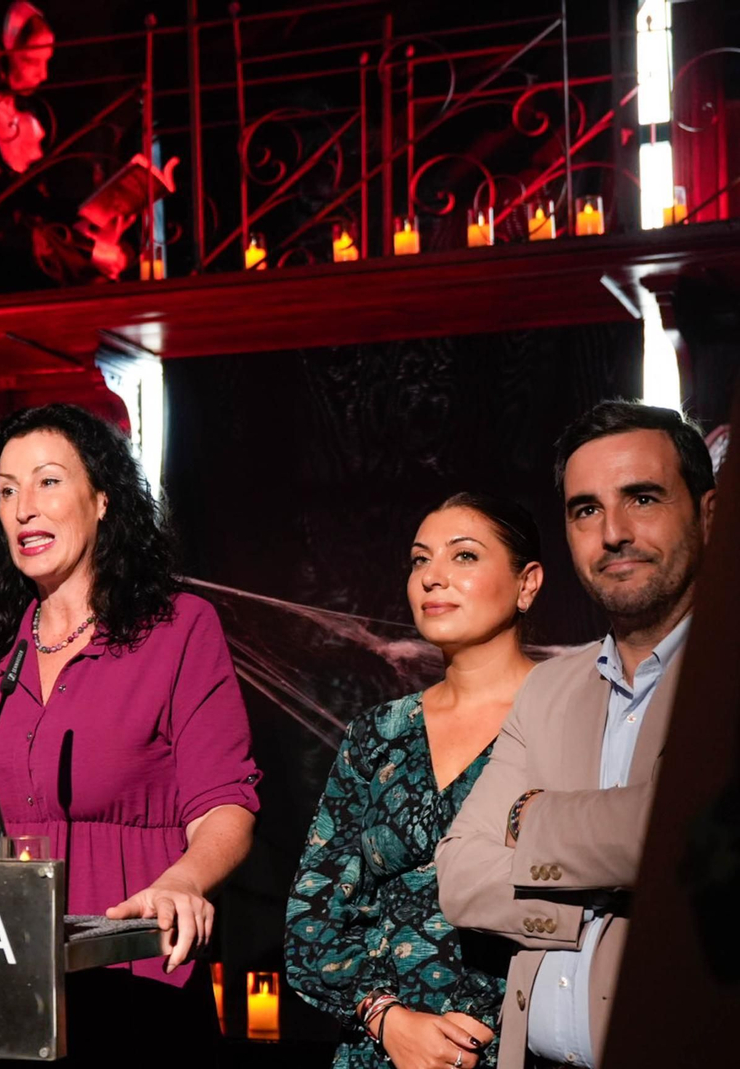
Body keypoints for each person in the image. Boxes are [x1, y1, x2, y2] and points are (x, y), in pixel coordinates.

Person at [0, 402, 260, 1063]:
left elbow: (225, 800)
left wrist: (185, 881)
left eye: (47, 481)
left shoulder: (179, 629)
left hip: (135, 984)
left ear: (103, 499)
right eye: (7, 490)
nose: (23, 508)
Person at [437, 401, 717, 1069]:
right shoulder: (550, 686)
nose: (612, 531)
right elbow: (459, 874)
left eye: (642, 497)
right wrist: (599, 904)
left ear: (710, 514)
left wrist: (532, 821)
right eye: (585, 509)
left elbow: (682, 828)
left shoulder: (724, 676)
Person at [286, 493, 547, 1069]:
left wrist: (486, 1025)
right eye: (419, 560)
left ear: (527, 583)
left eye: (464, 557)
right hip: (381, 1049)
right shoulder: (377, 734)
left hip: (522, 1044)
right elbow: (312, 918)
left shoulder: (571, 719)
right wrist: (387, 1019)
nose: (433, 578)